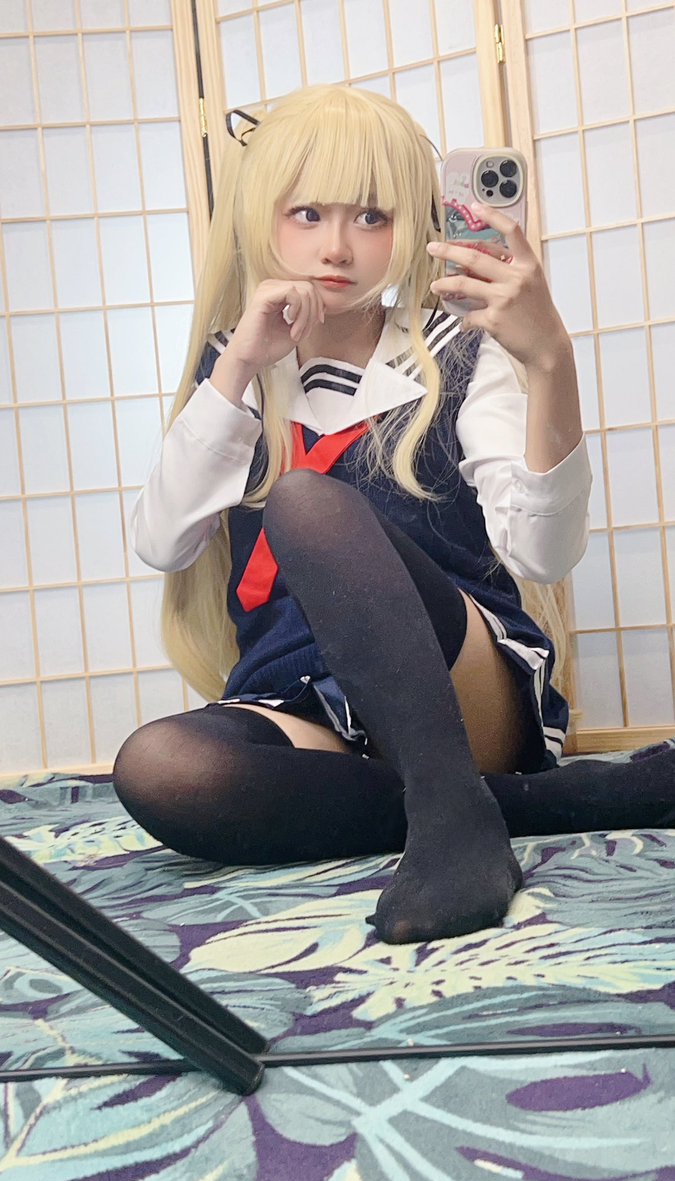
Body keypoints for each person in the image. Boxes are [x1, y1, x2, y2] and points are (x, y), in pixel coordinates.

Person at [113, 85, 675, 945]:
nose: (336, 246)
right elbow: (162, 544)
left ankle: (455, 825)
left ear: (412, 225)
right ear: (260, 218)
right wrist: (237, 373)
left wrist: (548, 362)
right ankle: (534, 803)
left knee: (305, 502)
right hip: (310, 699)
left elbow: (542, 555)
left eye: (371, 216)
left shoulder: (459, 350)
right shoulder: (238, 367)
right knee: (164, 769)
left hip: (463, 682)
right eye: (306, 213)